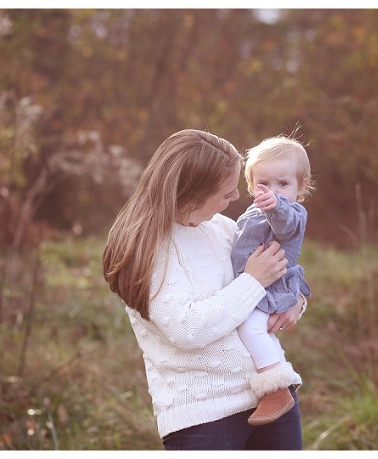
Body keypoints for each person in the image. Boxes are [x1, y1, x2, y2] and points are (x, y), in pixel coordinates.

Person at [102, 129, 306, 450]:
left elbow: (280, 264)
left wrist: (297, 299)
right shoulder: (149, 249)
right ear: (190, 194)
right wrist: (253, 281)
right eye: (225, 194)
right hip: (204, 417)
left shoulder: (224, 228)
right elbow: (187, 329)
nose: (236, 199)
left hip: (272, 395)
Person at [231, 136, 313, 426]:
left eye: (283, 184)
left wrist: (276, 204)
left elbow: (284, 223)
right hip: (254, 284)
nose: (273, 190)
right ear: (252, 185)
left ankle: (275, 390)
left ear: (300, 187)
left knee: (250, 326)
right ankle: (282, 377)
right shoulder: (250, 212)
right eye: (264, 183)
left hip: (271, 286)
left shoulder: (292, 212)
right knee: (260, 331)